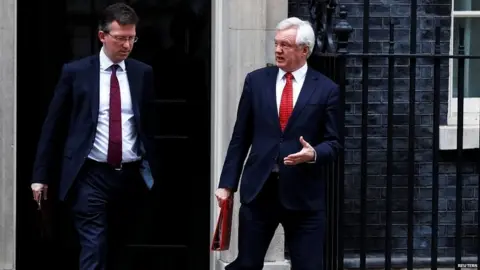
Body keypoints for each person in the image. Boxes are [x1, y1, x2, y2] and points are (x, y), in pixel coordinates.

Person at [30, 3, 158, 270]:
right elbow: (52, 126)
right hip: (90, 174)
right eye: (120, 38)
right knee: (93, 245)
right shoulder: (76, 73)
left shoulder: (142, 73)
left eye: (132, 38)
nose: (127, 45)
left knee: (122, 246)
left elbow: (147, 125)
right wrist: (40, 176)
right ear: (102, 36)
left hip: (130, 175)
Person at [215, 17, 341, 270]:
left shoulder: (327, 89)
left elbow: (335, 143)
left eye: (286, 44)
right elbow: (241, 136)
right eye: (276, 43)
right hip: (260, 190)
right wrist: (227, 184)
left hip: (303, 196)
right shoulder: (256, 81)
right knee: (247, 264)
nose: (278, 50)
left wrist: (313, 153)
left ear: (304, 50)